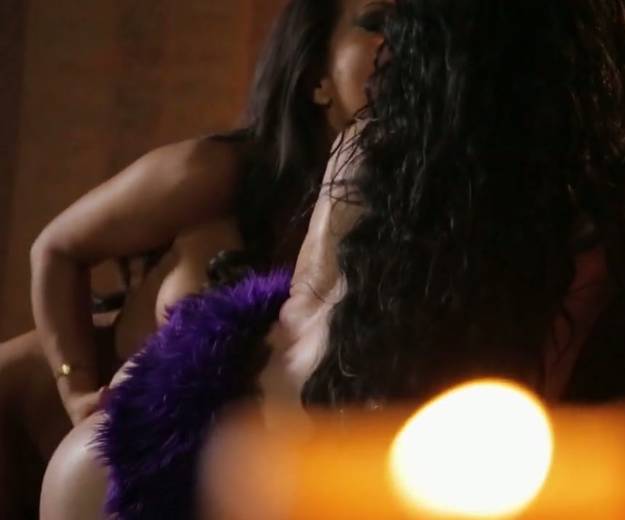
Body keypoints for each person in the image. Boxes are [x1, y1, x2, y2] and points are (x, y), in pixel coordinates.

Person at [47, 0, 625, 517]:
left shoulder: (377, 147)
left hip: (172, 434)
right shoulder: (570, 214)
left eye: (394, 21)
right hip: (221, 447)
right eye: (370, 22)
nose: (385, 40)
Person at [0, 0, 391, 517]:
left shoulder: (382, 216)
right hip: (27, 422)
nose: (402, 44)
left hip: (135, 475)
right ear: (316, 78)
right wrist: (75, 392)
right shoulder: (215, 170)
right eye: (377, 25)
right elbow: (55, 248)